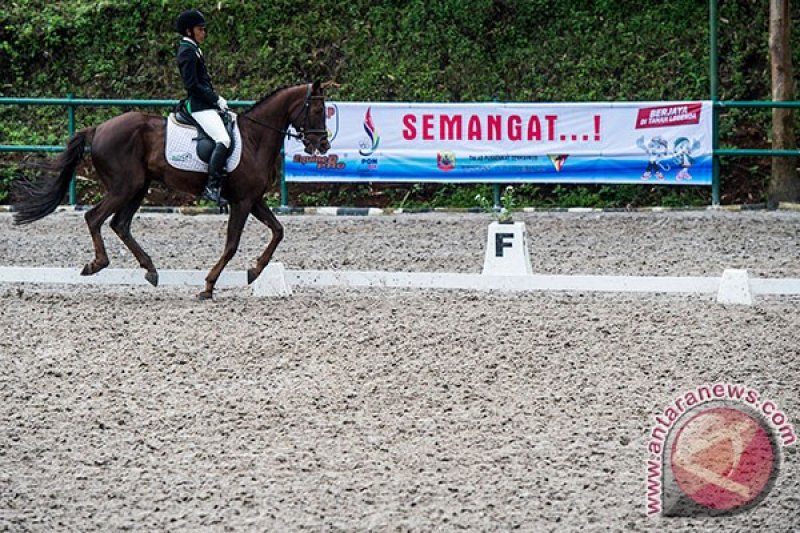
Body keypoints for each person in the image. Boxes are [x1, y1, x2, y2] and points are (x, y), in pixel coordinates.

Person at [175, 8, 230, 204]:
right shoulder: (187, 51)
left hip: (206, 103)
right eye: (200, 29)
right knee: (223, 140)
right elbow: (192, 85)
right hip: (200, 106)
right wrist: (215, 99)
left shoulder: (194, 49)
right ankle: (212, 186)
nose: (203, 33)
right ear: (189, 31)